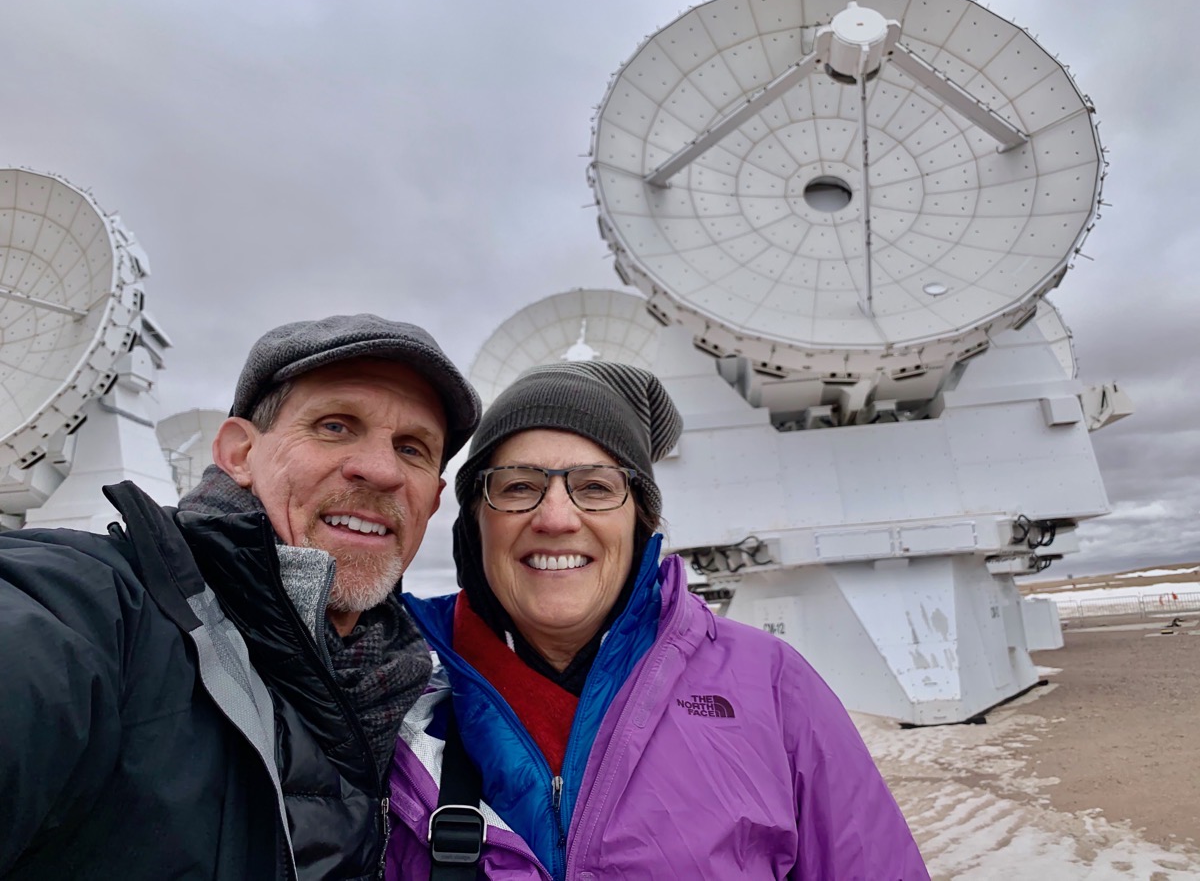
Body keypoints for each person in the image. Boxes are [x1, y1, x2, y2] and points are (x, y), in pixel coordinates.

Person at [386, 361, 929, 879]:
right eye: (518, 486)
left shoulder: (771, 686)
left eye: (596, 487)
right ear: (473, 523)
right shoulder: (384, 685)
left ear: (640, 523)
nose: (555, 517)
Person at [0, 314, 480, 880]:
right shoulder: (90, 609)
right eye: (334, 425)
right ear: (237, 453)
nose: (380, 470)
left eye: (412, 448)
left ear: (434, 496)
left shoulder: (417, 695)